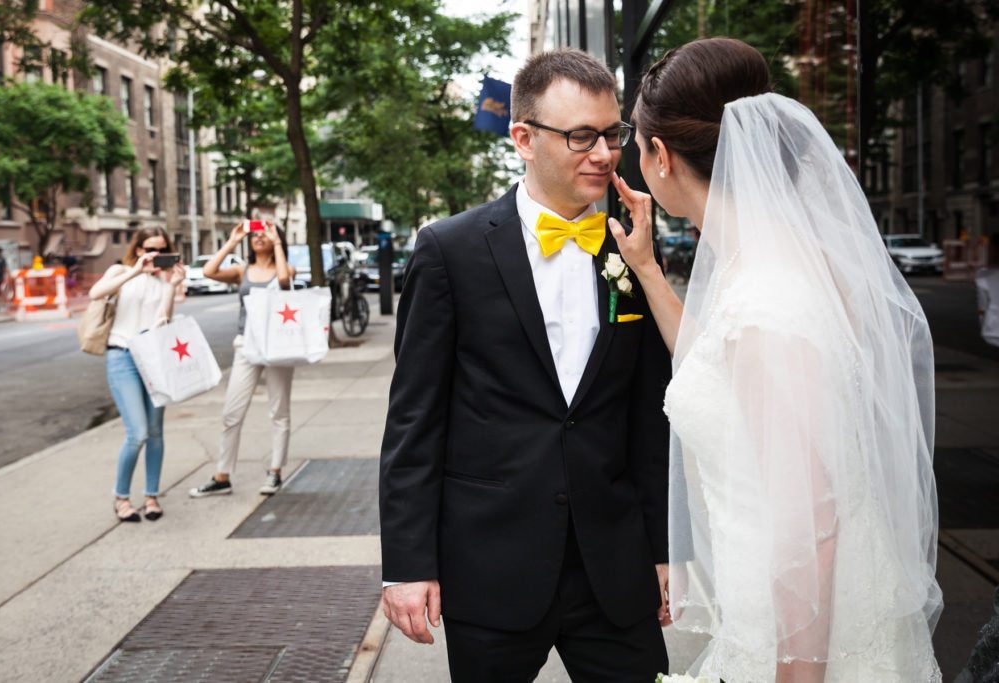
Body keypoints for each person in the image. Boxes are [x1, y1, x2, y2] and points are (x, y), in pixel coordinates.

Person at [609, 38, 942, 681]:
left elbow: (812, 523)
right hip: (771, 611)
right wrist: (648, 270)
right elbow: (718, 362)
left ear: (659, 155)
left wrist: (798, 672)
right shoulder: (763, 266)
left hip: (804, 639)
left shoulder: (766, 301)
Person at [379, 49, 672, 682]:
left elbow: (650, 412)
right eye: (580, 136)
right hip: (490, 564)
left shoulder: (634, 247)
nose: (603, 153)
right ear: (523, 138)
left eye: (612, 134)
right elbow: (414, 421)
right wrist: (406, 564)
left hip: (614, 568)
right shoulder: (447, 251)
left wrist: (664, 547)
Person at [189, 221, 295, 498]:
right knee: (231, 412)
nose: (259, 237)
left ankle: (275, 471)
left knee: (279, 411)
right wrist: (233, 240)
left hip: (277, 346)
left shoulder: (284, 267)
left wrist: (278, 243)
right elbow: (208, 271)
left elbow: (284, 280)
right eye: (256, 234)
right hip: (246, 344)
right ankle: (222, 475)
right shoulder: (242, 271)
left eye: (265, 234)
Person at [88, 227, 185, 522]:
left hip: (154, 359)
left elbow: (163, 321)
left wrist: (172, 284)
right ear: (139, 249)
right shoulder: (121, 271)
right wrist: (135, 271)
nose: (155, 254)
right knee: (137, 433)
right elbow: (95, 293)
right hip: (123, 357)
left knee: (155, 432)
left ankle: (152, 496)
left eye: (162, 248)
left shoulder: (164, 282)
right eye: (150, 248)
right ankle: (121, 498)